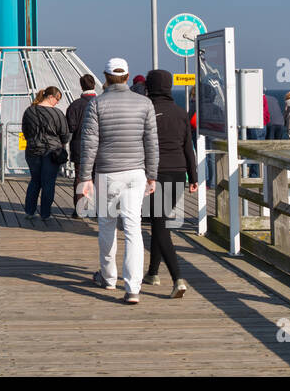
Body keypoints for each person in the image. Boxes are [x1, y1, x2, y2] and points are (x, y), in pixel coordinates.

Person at [77, 57, 158, 305]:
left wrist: (84, 177)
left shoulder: (97, 104)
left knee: (107, 225)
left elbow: (89, 143)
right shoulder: (145, 103)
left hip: (108, 173)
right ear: (127, 75)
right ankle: (133, 287)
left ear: (106, 76)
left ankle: (109, 277)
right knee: (133, 228)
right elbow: (151, 141)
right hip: (136, 173)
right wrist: (152, 174)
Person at [142, 70, 198, 298]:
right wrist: (193, 177)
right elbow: (188, 147)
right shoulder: (181, 112)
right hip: (178, 172)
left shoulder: (146, 110)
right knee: (160, 221)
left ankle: (177, 278)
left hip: (154, 173)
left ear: (150, 86)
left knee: (160, 224)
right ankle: (153, 272)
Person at [21, 87, 69, 223]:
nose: (57, 102)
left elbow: (25, 130)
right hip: (52, 152)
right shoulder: (57, 114)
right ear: (51, 97)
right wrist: (61, 142)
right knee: (48, 182)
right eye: (57, 99)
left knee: (35, 180)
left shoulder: (29, 111)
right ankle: (45, 213)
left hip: (33, 150)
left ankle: (30, 211)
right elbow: (65, 134)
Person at [66, 73, 98, 173]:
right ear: (94, 85)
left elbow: (70, 128)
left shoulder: (74, 105)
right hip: (98, 148)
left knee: (80, 178)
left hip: (79, 147)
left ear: (81, 87)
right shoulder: (102, 103)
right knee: (97, 179)